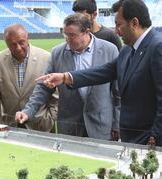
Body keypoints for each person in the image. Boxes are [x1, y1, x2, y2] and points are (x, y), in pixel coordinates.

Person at [35, 0, 162, 149]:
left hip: (159, 139)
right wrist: (65, 77)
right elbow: (104, 72)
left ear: (134, 23)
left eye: (118, 25)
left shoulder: (161, 47)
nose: (116, 31)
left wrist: (156, 137)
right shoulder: (128, 49)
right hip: (138, 136)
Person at [16, 13, 120, 141]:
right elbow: (43, 87)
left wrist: (117, 124)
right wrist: (28, 111)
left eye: (72, 35)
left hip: (101, 126)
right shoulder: (57, 53)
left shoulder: (110, 50)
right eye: (65, 34)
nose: (67, 39)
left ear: (87, 32)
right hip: (70, 127)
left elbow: (118, 93)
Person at [0, 24, 58, 132]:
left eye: (21, 42)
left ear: (27, 37)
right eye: (13, 45)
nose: (18, 48)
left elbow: (56, 93)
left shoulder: (46, 58)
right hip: (10, 126)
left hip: (41, 125)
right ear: (6, 43)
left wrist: (51, 117)